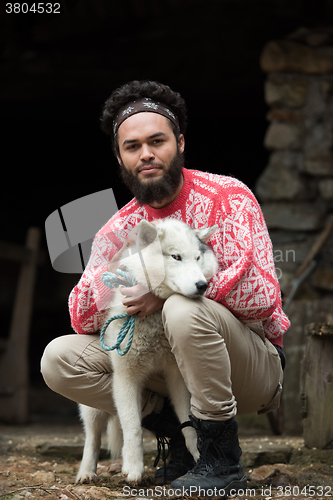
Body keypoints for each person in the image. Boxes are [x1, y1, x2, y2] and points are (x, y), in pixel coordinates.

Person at [41, 80, 289, 493]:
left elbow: (262, 296)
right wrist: (121, 271)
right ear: (120, 158)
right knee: (58, 358)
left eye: (157, 141)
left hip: (249, 371)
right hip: (167, 374)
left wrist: (162, 293)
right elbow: (82, 315)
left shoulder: (228, 196)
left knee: (181, 308)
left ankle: (220, 458)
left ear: (181, 142)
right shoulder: (119, 228)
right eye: (132, 146)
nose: (147, 154)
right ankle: (179, 431)